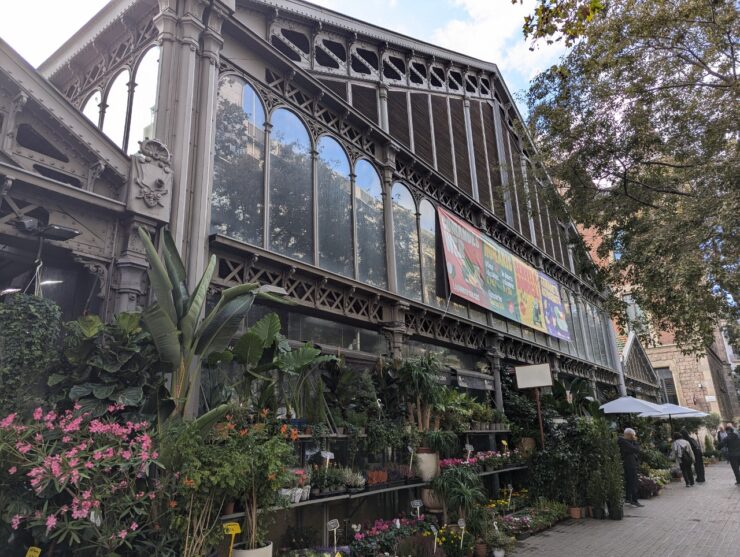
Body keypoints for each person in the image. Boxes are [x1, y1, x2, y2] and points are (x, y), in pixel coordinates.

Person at [617, 428, 643, 506]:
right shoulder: (622, 441)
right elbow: (635, 449)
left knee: (629, 482)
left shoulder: (627, 442)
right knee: (633, 482)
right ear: (629, 435)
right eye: (633, 435)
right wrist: (633, 441)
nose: (634, 437)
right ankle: (634, 500)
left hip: (630, 464)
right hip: (629, 464)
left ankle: (629, 498)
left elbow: (636, 449)